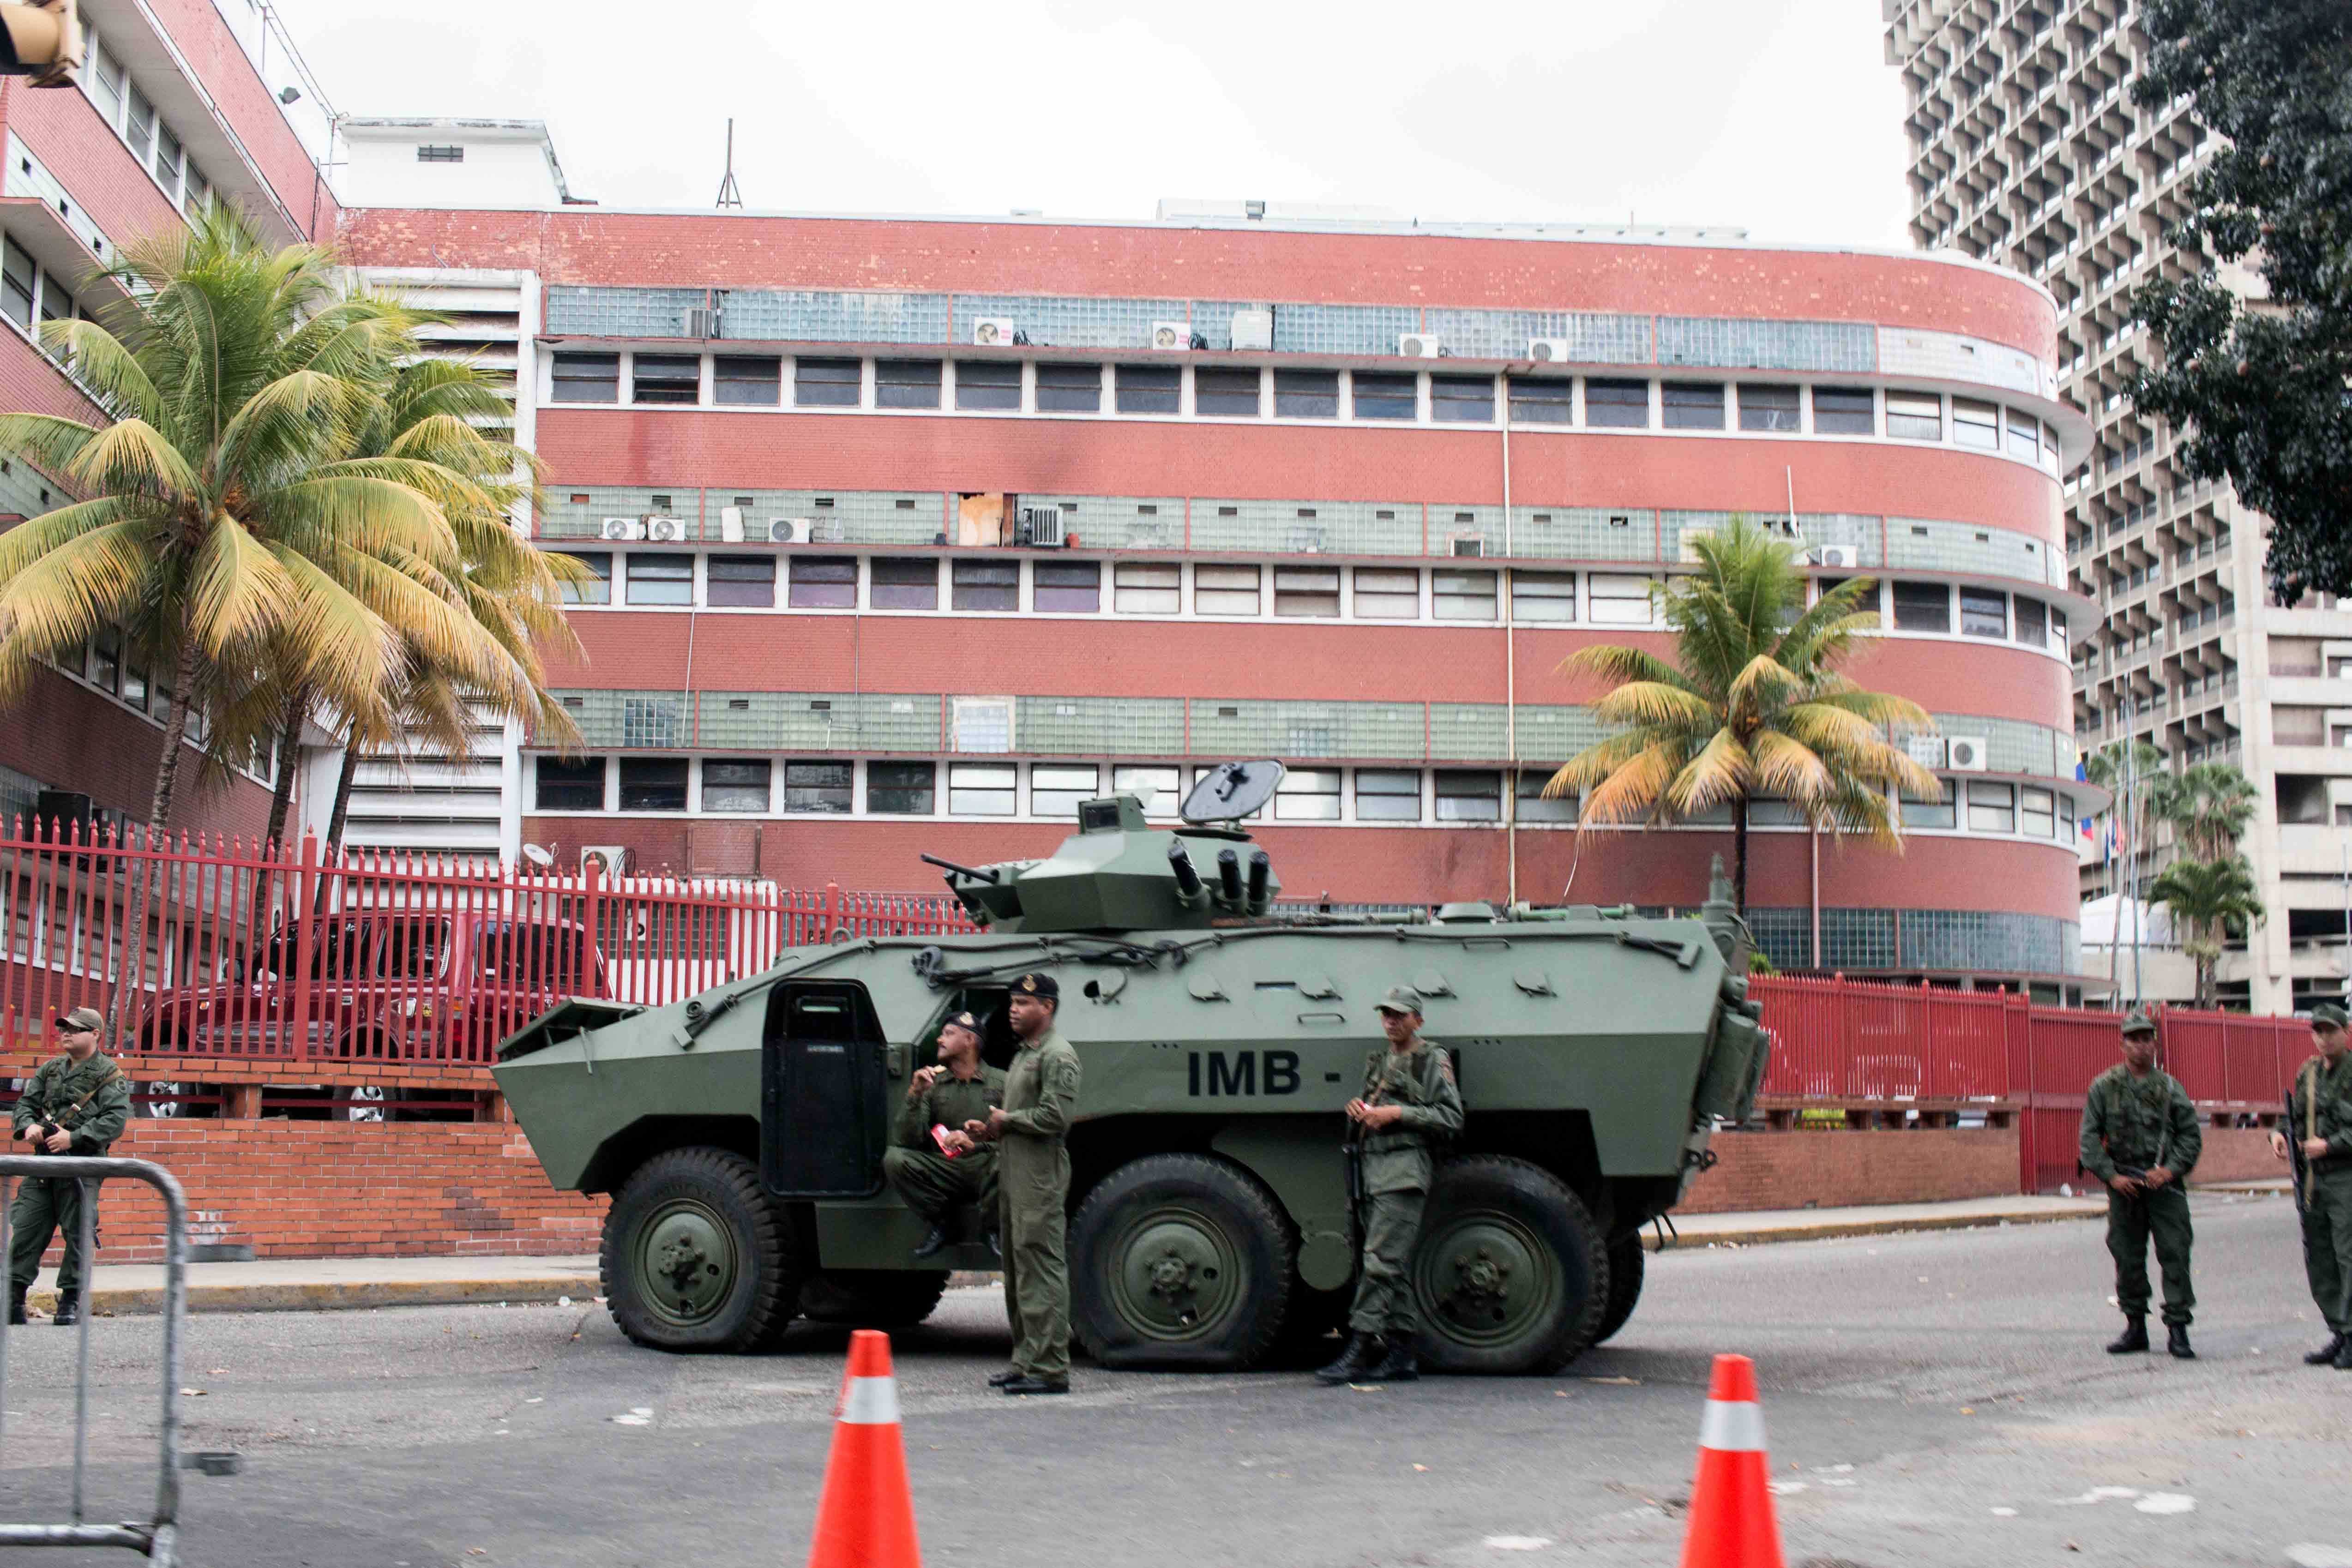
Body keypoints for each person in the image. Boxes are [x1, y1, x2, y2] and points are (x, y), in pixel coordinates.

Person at [1317, 984, 1464, 1386]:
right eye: (1386, 1014)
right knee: (1390, 1266)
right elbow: (1373, 1109)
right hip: (1373, 1168)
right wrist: (1359, 1109)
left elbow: (1451, 1116)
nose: (1391, 1021)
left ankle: (1360, 1346)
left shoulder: (1431, 1058)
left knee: (1380, 1262)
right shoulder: (1380, 1060)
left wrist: (1397, 1113)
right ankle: (1402, 1353)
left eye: (1399, 1014)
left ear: (1418, 1019)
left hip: (1404, 1170)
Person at [963, 972, 1080, 1396]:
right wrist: (989, 1129)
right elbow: (1017, 1119)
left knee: (1041, 1268)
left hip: (1039, 1176)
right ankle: (1026, 1360)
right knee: (1017, 1271)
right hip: (1016, 1172)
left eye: (1024, 1003)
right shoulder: (1025, 1053)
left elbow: (1056, 1118)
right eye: (1012, 1002)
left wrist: (1007, 1120)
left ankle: (1050, 1368)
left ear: (1047, 1007)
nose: (1013, 1010)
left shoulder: (1057, 1055)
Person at [2077, 1006, 2202, 1359]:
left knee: (2175, 1253)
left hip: (2164, 1187)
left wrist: (2170, 1170)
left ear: (2154, 1045)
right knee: (2127, 1255)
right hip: (2125, 1187)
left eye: (2146, 1039)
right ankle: (2134, 1327)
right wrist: (2111, 1176)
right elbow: (2089, 1138)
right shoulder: (2104, 1086)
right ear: (2122, 1045)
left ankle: (2178, 1329)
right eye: (2133, 1039)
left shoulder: (2170, 1088)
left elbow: (2190, 1137)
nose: (2140, 1045)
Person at [8, 1007, 132, 1328]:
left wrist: (73, 1137)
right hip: (44, 1164)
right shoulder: (50, 1069)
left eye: (75, 1029)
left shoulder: (109, 1074)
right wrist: (28, 1126)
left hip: (81, 1166)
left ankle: (71, 1300)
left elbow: (115, 1120)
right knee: (26, 1228)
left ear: (95, 1034)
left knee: (78, 1233)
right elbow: (26, 1104)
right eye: (64, 1028)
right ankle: (13, 1298)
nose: (66, 1033)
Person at [880, 1011, 1005, 1259]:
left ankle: (991, 1229)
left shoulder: (1003, 1081)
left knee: (1012, 1158)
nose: (939, 1039)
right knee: (894, 1159)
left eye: (948, 1034)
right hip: (946, 1168)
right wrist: (915, 1094)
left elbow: (1017, 1137)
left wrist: (979, 1142)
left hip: (988, 1166)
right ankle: (943, 1222)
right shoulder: (933, 1084)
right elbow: (906, 1140)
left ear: (969, 1040)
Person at [2273, 1001, 2352, 1370]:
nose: (2323, 1038)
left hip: (2345, 1176)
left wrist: (2331, 1144)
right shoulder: (2308, 1072)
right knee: (2319, 1255)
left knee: (2347, 1256)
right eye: (2317, 1031)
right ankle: (2339, 1329)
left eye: (2330, 1030)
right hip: (2312, 1179)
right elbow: (2294, 1117)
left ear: (2345, 1032)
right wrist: (2278, 1134)